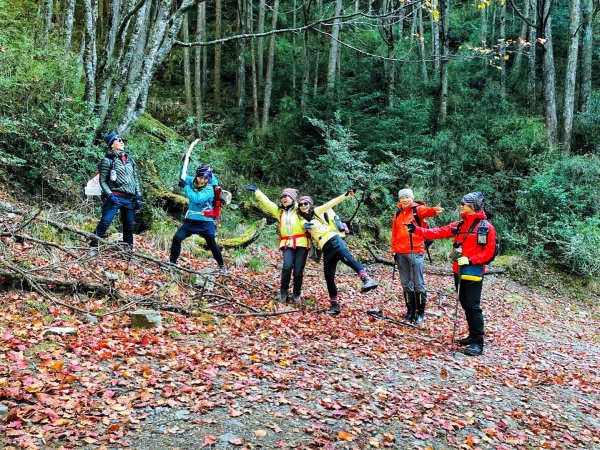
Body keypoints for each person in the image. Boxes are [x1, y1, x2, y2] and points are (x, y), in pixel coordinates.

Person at [406, 192, 496, 356]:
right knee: (464, 302)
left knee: (472, 305)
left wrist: (470, 260)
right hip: (458, 271)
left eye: (464, 203)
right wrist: (417, 230)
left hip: (473, 272)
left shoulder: (486, 227)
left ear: (473, 206)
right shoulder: (460, 225)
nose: (461, 205)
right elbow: (438, 232)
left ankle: (478, 342)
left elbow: (489, 253)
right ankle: (472, 336)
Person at [298, 190, 378, 316]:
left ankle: (367, 279)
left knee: (348, 260)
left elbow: (331, 203)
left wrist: (346, 195)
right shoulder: (301, 219)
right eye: (301, 204)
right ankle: (334, 306)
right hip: (325, 248)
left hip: (334, 240)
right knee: (329, 277)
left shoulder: (317, 212)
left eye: (305, 203)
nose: (303, 206)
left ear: (310, 204)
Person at [244, 185, 308, 303]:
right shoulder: (279, 211)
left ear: (293, 198)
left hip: (302, 243)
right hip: (287, 243)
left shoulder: (300, 209)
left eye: (286, 196)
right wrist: (257, 191)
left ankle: (297, 294)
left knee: (298, 271)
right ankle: (283, 293)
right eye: (282, 197)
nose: (283, 198)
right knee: (287, 266)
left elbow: (311, 212)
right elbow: (267, 203)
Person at [391, 188, 444, 324]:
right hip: (401, 252)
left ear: (412, 198)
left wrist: (434, 210)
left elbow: (427, 211)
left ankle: (420, 314)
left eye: (407, 197)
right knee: (405, 283)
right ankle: (410, 312)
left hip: (416, 251)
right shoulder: (397, 213)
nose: (405, 200)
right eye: (402, 197)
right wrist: (394, 250)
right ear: (399, 199)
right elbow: (395, 233)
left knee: (418, 284)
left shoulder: (417, 210)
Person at [170, 164, 226, 273]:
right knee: (177, 238)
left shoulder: (210, 189)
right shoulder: (192, 181)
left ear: (208, 179)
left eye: (205, 178)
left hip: (205, 222)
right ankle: (172, 264)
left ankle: (222, 266)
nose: (202, 180)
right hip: (191, 221)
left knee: (212, 245)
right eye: (200, 178)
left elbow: (196, 198)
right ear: (197, 176)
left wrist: (185, 187)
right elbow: (182, 176)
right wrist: (184, 163)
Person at [92, 132, 142, 249]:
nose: (121, 142)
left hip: (130, 198)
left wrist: (138, 197)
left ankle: (128, 252)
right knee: (105, 223)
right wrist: (109, 195)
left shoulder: (131, 161)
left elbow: (135, 179)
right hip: (114, 197)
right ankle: (93, 246)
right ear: (111, 145)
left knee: (129, 227)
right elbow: (103, 181)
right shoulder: (107, 161)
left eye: (122, 140)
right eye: (118, 140)